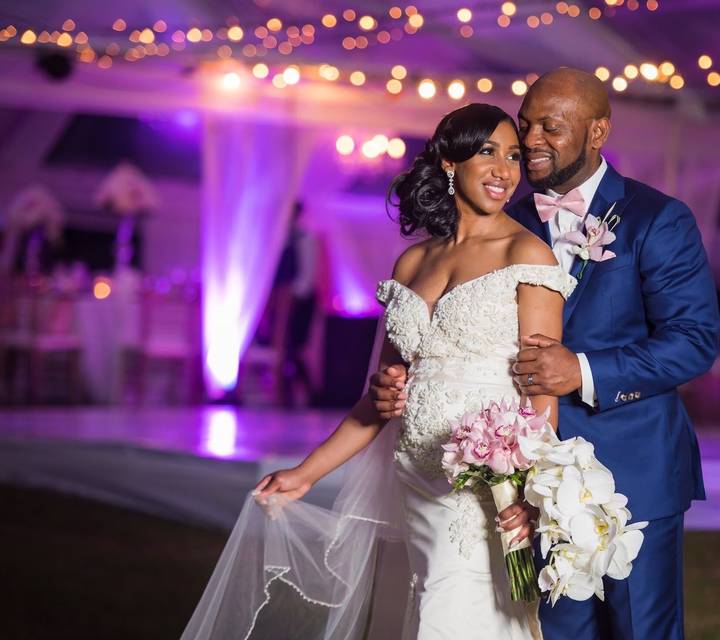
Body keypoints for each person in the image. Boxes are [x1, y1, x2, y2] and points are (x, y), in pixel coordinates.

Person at [182, 103, 575, 639]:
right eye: (488, 152)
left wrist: (530, 495)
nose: (505, 170)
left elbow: (542, 390)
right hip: (415, 473)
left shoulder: (526, 253)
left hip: (488, 488)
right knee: (423, 613)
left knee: (459, 616)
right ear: (448, 162)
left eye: (512, 156)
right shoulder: (412, 264)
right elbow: (380, 401)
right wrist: (306, 473)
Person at [369, 68, 720, 639]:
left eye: (550, 128)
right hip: (513, 479)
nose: (530, 141)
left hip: (632, 469)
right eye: (525, 124)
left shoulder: (657, 219)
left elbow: (694, 342)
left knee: (639, 631)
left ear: (598, 132)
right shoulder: (504, 216)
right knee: (546, 630)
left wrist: (580, 369)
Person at [271, 200, 319, 408]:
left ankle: (307, 393)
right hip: (279, 299)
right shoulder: (276, 237)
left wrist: (292, 295)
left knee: (296, 348)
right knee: (282, 347)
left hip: (298, 300)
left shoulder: (303, 237)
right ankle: (283, 392)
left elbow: (306, 276)